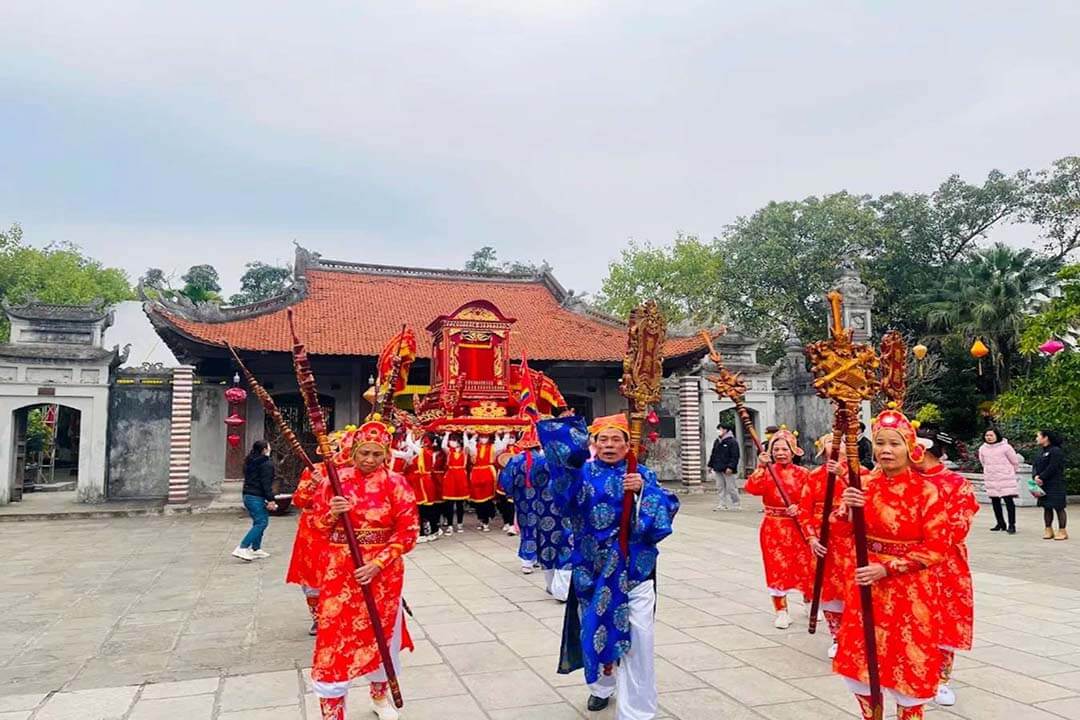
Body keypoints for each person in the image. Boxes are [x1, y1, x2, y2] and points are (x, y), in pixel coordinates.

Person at [539, 413, 679, 719]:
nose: (610, 445)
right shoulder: (582, 474)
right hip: (592, 571)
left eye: (617, 439)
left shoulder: (641, 475)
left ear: (629, 445)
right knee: (595, 633)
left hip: (633, 573)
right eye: (603, 439)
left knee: (639, 641)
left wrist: (643, 492)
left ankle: (637, 711)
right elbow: (563, 499)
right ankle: (602, 688)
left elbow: (667, 507)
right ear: (593, 444)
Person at [833, 405, 950, 720]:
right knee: (861, 663)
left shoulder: (927, 491)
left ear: (910, 447)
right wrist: (846, 508)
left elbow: (938, 546)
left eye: (895, 443)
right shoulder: (864, 486)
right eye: (881, 442)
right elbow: (840, 532)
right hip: (867, 587)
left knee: (908, 663)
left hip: (910, 589)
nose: (886, 450)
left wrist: (888, 568)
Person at [309, 420, 419, 720]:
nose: (369, 460)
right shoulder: (334, 480)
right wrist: (332, 512)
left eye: (377, 454)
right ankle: (332, 711)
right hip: (340, 570)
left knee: (381, 636)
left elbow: (408, 532)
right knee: (333, 638)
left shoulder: (397, 483)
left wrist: (377, 564)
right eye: (364, 453)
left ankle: (379, 697)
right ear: (353, 451)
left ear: (386, 455)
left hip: (381, 574)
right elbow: (316, 526)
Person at [915, 430, 977, 707]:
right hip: (906, 564)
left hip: (945, 563)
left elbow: (957, 527)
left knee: (945, 619)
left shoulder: (956, 483)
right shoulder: (899, 481)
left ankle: (940, 679)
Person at [798, 433, 861, 658]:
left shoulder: (862, 474)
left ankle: (854, 636)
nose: (836, 444)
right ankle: (837, 637)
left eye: (842, 440)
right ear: (822, 448)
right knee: (828, 591)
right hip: (824, 541)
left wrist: (843, 476)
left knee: (852, 591)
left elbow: (868, 500)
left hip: (852, 542)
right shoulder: (814, 476)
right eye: (830, 440)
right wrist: (812, 538)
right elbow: (804, 510)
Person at [744, 426, 812, 629]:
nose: (780, 453)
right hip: (773, 527)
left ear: (793, 451)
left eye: (785, 449)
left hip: (798, 526)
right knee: (776, 568)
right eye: (777, 450)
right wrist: (761, 466)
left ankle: (809, 603)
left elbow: (813, 500)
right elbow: (752, 488)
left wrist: (799, 508)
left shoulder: (804, 474)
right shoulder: (767, 472)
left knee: (806, 565)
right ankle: (781, 610)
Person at [498, 426, 573, 599]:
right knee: (548, 535)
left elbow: (506, 482)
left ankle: (526, 561)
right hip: (547, 505)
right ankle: (541, 561)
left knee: (526, 529)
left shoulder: (514, 461)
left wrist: (513, 493)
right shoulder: (546, 461)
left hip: (524, 501)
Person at [234, 440, 278, 562]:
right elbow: (266, 484)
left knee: (259, 521)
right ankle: (242, 547)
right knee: (261, 523)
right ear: (264, 449)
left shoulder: (249, 461)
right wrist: (271, 500)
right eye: (269, 447)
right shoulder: (266, 464)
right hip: (256, 496)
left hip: (248, 495)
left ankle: (256, 549)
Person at [978, 428, 1021, 534]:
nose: (989, 437)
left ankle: (1012, 524)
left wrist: (1008, 472)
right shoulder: (983, 448)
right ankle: (1000, 523)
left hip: (1005, 477)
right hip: (991, 477)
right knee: (995, 501)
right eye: (987, 435)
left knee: (1008, 501)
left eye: (991, 435)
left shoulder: (1006, 447)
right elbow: (983, 462)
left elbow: (1014, 461)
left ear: (997, 436)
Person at [467, 431, 511, 532]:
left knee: (487, 499)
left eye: (485, 437)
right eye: (481, 437)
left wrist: (498, 435)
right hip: (476, 472)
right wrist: (473, 436)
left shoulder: (493, 447)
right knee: (477, 499)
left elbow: (502, 446)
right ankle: (482, 520)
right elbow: (469, 447)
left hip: (488, 472)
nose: (483, 439)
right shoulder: (475, 447)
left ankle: (486, 520)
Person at [405, 433, 441, 543]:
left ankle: (431, 531)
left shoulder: (426, 452)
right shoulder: (421, 453)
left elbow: (410, 444)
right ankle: (425, 531)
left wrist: (410, 432)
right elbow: (409, 451)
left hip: (424, 483)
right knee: (421, 509)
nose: (423, 443)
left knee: (427, 509)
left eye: (424, 441)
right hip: (420, 483)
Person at [1034, 429, 1067, 540]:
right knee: (1046, 507)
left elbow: (1053, 467)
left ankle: (1062, 530)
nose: (1036, 438)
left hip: (1055, 483)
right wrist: (1035, 476)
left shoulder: (1055, 451)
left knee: (1059, 507)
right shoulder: (1040, 452)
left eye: (1038, 436)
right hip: (1042, 484)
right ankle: (1048, 529)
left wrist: (1042, 477)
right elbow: (1035, 465)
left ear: (1046, 437)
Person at [708, 419, 741, 511]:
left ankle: (736, 503)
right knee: (720, 487)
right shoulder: (717, 441)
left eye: (720, 429)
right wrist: (710, 465)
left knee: (731, 487)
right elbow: (713, 454)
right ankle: (722, 504)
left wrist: (731, 467)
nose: (718, 431)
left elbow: (735, 456)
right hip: (718, 467)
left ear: (725, 430)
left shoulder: (732, 442)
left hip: (728, 469)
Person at [440, 433, 469, 533]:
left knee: (460, 503)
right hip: (450, 477)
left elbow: (467, 445)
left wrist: (465, 434)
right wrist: (447, 434)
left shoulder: (464, 452)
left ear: (458, 442)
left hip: (461, 477)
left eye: (453, 440)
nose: (450, 442)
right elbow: (443, 445)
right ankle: (450, 525)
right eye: (450, 440)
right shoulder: (449, 452)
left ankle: (460, 524)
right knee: (449, 503)